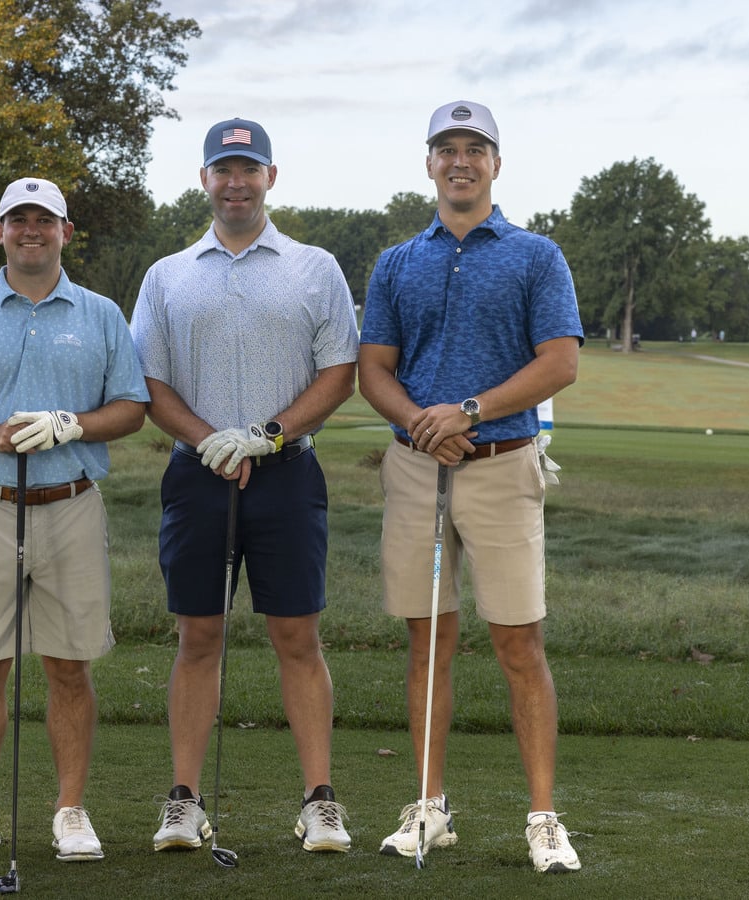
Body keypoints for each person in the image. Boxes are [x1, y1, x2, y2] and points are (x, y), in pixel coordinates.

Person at [355, 100, 585, 873]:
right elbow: (373, 369)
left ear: (496, 162)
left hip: (503, 464)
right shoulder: (395, 262)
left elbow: (560, 362)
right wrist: (425, 422)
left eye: (475, 148)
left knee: (520, 641)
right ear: (428, 163)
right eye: (446, 148)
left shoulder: (535, 255)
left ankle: (544, 817)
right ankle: (429, 808)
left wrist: (471, 410)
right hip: (417, 469)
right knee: (429, 640)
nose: (461, 161)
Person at [131, 118, 360, 854]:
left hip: (287, 475)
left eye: (249, 169)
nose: (236, 182)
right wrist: (209, 441)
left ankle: (320, 800)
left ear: (271, 177)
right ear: (204, 179)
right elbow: (149, 383)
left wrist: (265, 435)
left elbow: (338, 375)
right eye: (224, 170)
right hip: (198, 478)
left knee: (297, 634)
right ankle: (185, 801)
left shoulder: (314, 266)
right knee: (199, 634)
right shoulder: (168, 274)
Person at [0, 177, 149, 864]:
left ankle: (70, 810)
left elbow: (131, 405)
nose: (30, 231)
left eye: (44, 221)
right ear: (0, 232)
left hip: (71, 503)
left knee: (68, 666)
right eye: (17, 220)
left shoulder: (102, 313)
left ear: (65, 232)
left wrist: (71, 423)